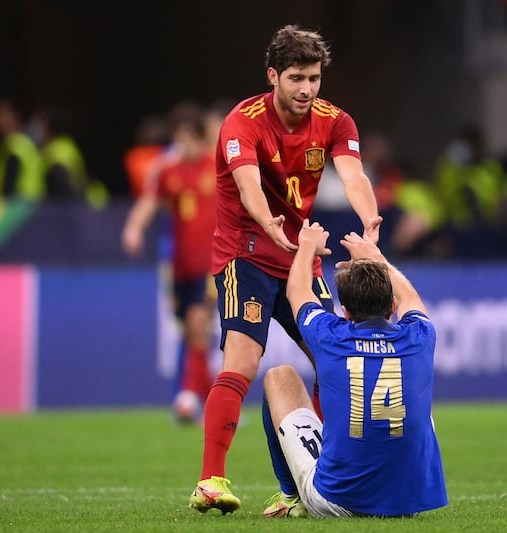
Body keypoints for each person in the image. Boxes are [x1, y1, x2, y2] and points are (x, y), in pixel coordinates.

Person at [187, 25, 381, 515]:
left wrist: (369, 216)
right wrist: (267, 225)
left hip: (298, 259)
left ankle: (303, 484)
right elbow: (248, 187)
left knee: (331, 362)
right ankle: (211, 480)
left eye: (314, 78)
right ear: (272, 75)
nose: (307, 89)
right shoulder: (242, 122)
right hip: (245, 254)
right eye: (296, 77)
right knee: (244, 361)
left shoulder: (335, 121)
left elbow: (353, 174)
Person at [260, 219, 447, 518]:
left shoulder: (330, 335)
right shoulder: (420, 337)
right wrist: (375, 257)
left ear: (344, 312)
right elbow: (411, 297)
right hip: (407, 504)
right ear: (393, 305)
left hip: (335, 502)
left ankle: (291, 495)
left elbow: (296, 290)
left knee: (279, 376)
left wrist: (307, 245)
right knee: (417, 389)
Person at [122, 103, 217, 422]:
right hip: (181, 266)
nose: (185, 145)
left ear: (201, 138)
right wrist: (135, 227)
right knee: (191, 333)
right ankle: (214, 400)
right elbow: (150, 202)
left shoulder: (217, 167)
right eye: (179, 137)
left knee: (197, 321)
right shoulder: (168, 171)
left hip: (212, 265)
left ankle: (189, 394)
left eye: (190, 137)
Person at [0, 98, 44, 200]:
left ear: (14, 116)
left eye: (1, 113)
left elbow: (8, 187)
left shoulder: (18, 145)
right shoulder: (5, 144)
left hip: (21, 207)